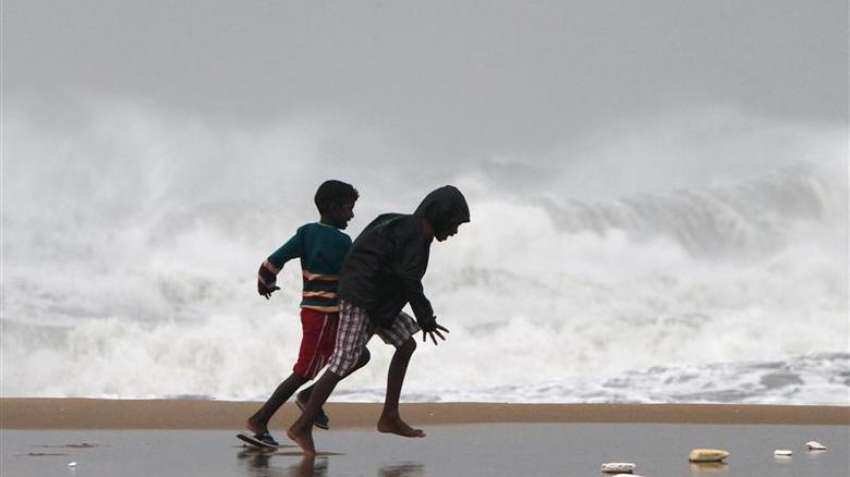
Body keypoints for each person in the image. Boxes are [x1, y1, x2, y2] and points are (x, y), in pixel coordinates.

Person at [287, 185, 470, 456]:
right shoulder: (415, 236)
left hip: (375, 300)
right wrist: (426, 318)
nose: (454, 231)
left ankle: (389, 416)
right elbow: (409, 280)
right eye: (454, 224)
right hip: (359, 298)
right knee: (345, 359)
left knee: (406, 344)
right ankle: (301, 426)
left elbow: (378, 260)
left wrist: (384, 313)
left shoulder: (398, 222)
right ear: (440, 215)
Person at [245, 179, 370, 447]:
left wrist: (265, 282)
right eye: (348, 208)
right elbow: (356, 277)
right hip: (324, 315)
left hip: (317, 314)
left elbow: (274, 260)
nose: (352, 214)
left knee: (360, 354)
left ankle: (309, 397)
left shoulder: (305, 233)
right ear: (333, 207)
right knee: (304, 371)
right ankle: (261, 418)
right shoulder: (343, 241)